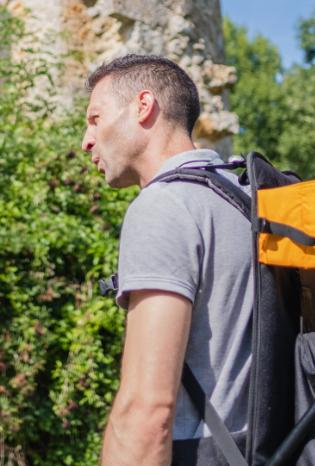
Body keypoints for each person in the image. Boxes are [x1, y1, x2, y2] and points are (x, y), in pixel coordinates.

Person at [82, 54, 253, 466]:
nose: (86, 141)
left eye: (94, 118)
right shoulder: (247, 197)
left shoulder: (164, 204)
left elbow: (148, 411)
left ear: (143, 107)